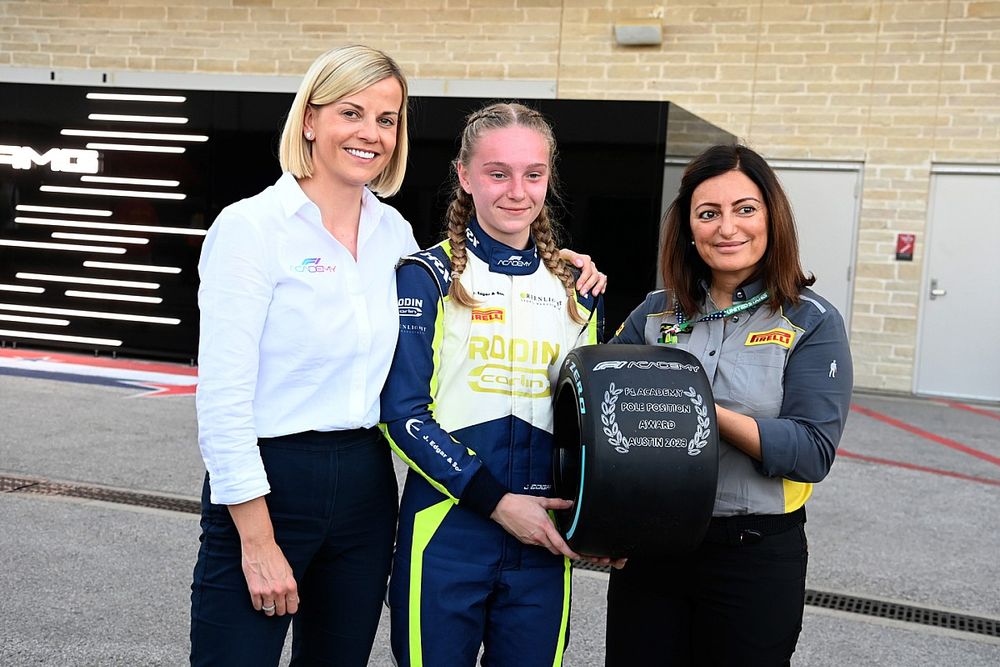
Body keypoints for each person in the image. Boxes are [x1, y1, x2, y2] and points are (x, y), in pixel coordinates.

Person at [190, 47, 605, 666]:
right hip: (270, 480)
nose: (370, 133)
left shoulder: (396, 239)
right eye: (351, 113)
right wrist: (256, 538)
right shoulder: (252, 227)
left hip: (364, 483)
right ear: (309, 118)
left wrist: (560, 269)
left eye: (387, 120)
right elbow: (221, 399)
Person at [380, 102, 611, 667]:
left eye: (533, 174)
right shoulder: (426, 275)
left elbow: (589, 428)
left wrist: (603, 521)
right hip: (446, 531)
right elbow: (402, 414)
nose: (517, 191)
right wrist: (496, 501)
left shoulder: (578, 291)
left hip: (543, 537)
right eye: (497, 172)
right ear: (464, 174)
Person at [605, 143, 853, 666]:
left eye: (745, 209)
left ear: (771, 217)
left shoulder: (811, 321)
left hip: (754, 555)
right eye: (708, 213)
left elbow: (811, 451)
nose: (727, 228)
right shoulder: (654, 313)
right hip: (653, 550)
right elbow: (594, 414)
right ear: (689, 228)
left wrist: (694, 408)